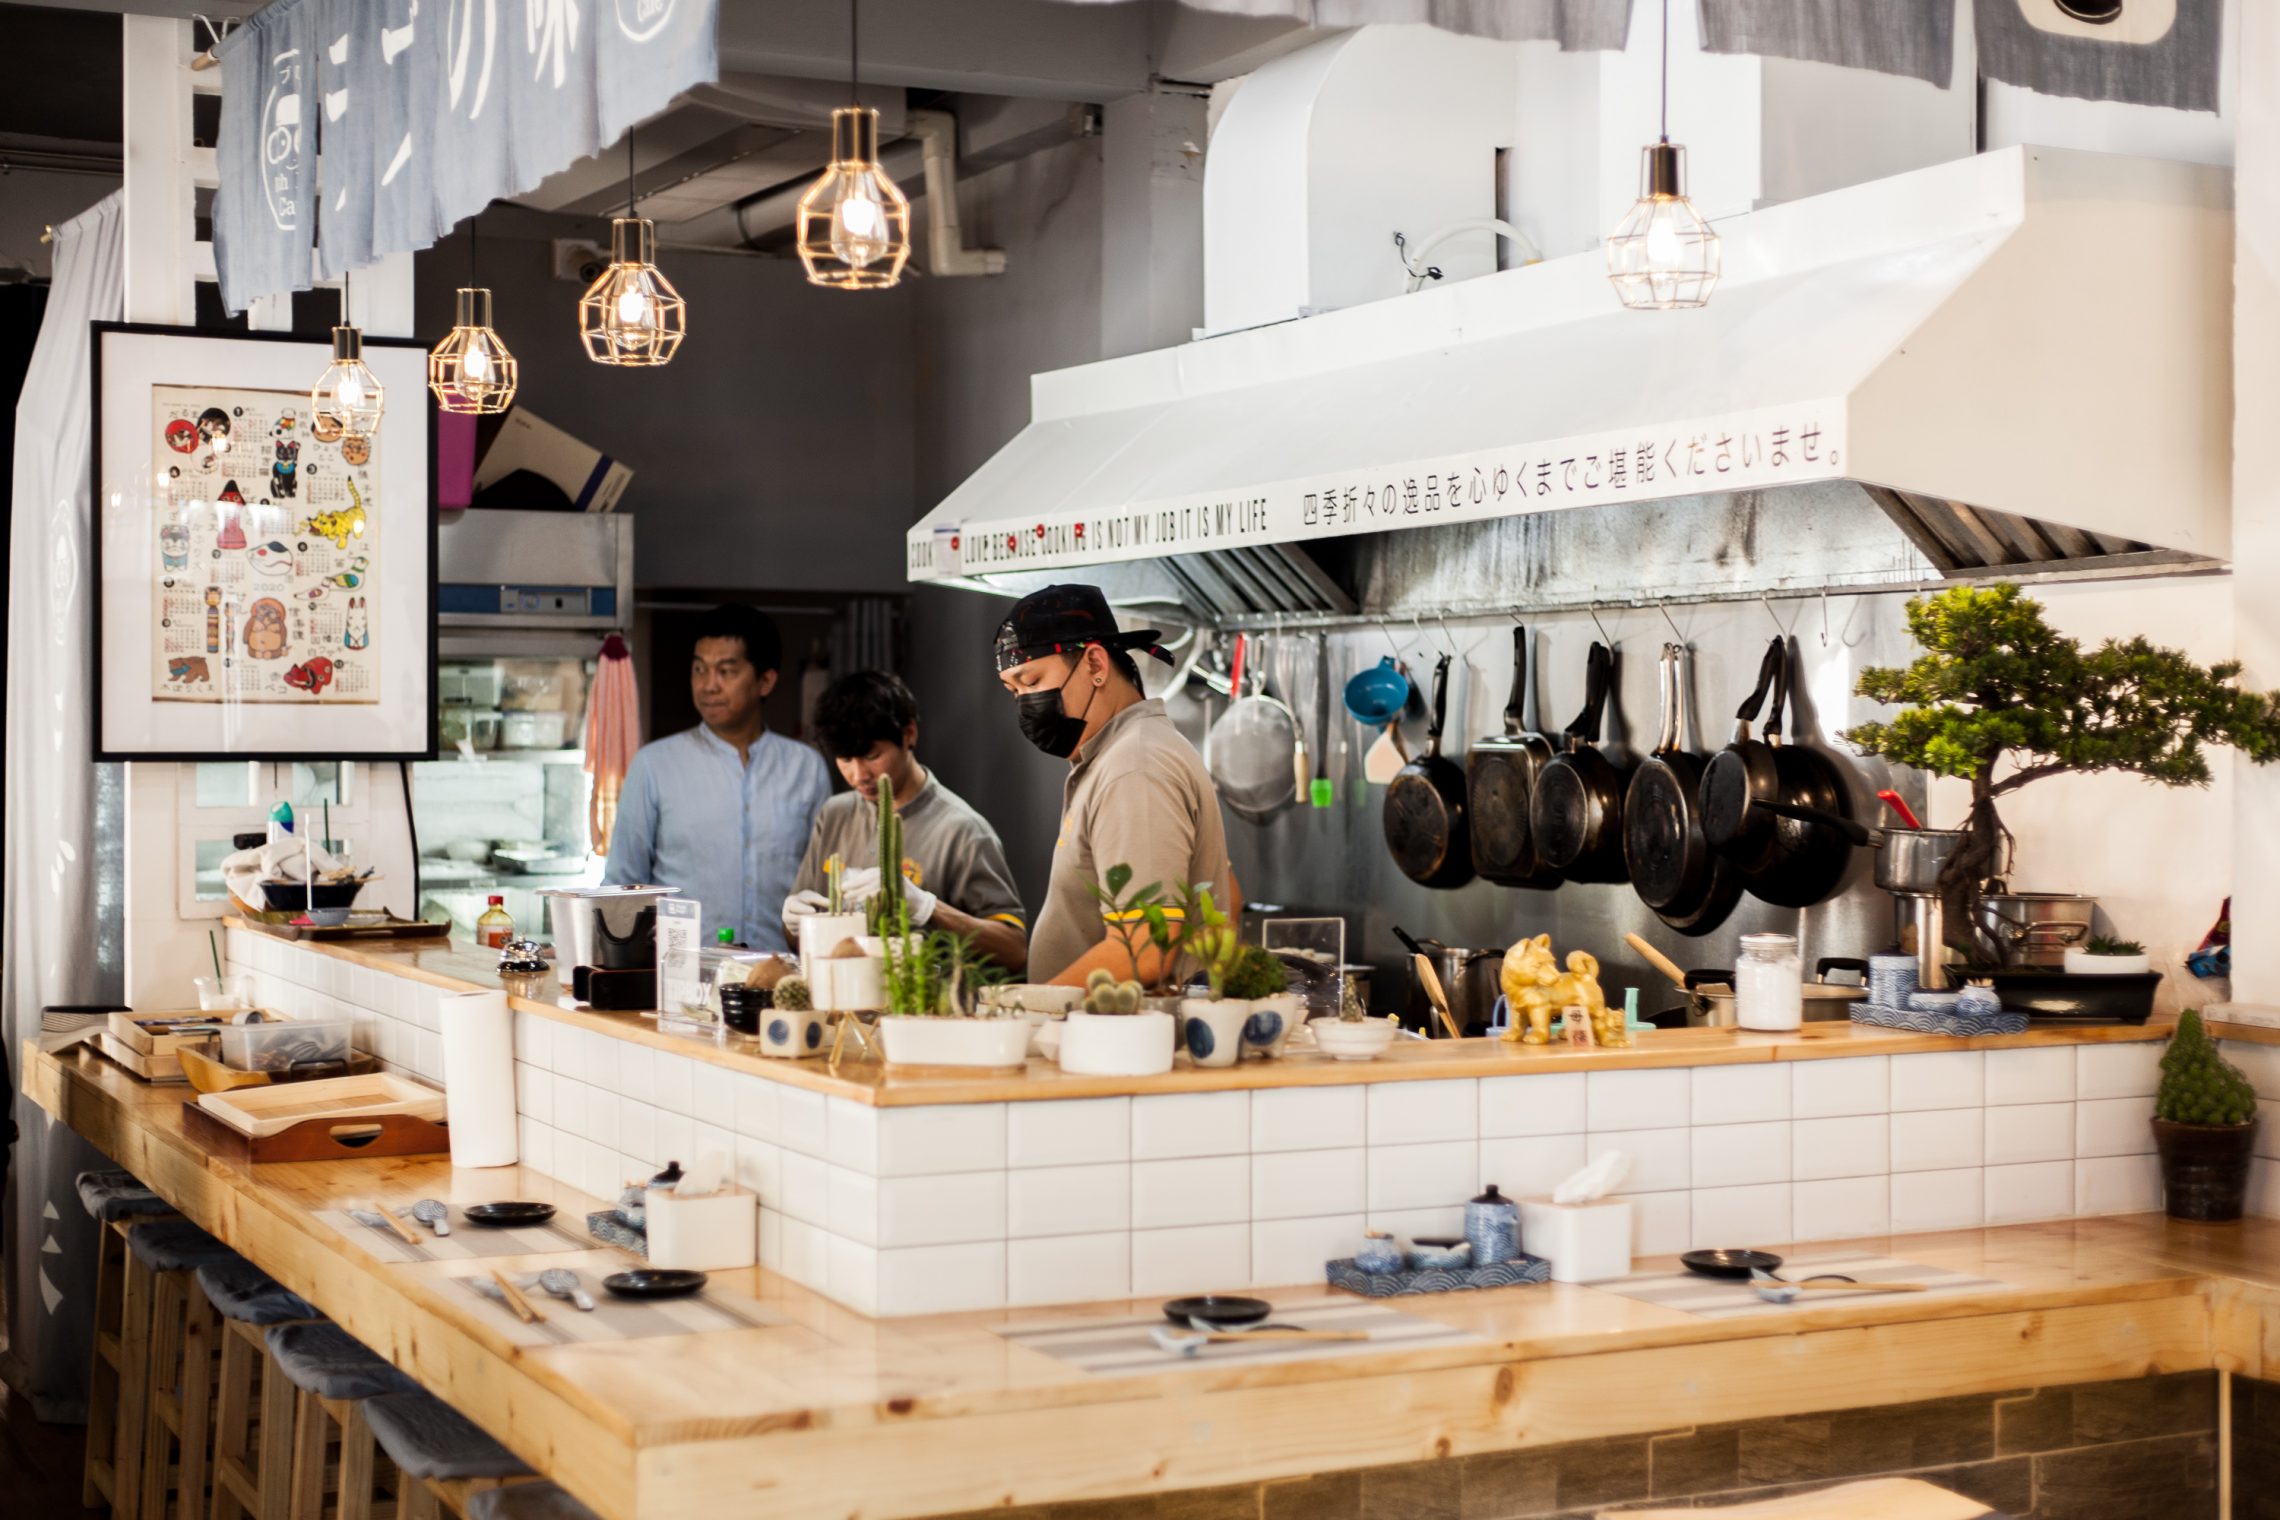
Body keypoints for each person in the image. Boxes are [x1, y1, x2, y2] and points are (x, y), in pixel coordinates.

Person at [993, 584, 1234, 985]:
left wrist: (1028, 1009)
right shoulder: (1119, 756)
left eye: (1031, 681)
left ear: (1095, 664)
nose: (1024, 703)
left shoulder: (1135, 767)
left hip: (1122, 1025)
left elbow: (1147, 949)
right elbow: (1227, 893)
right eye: (1013, 691)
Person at [603, 605, 828, 954]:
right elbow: (622, 886)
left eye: (726, 671)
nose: (708, 685)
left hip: (783, 972)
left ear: (765, 681)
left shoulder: (806, 768)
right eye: (699, 669)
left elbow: (824, 885)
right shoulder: (654, 765)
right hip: (682, 971)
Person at [781, 671, 1029, 971]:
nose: (858, 775)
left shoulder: (962, 830)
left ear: (909, 734)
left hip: (925, 997)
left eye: (872, 756)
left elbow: (1015, 949)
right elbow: (796, 941)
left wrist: (927, 908)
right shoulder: (834, 815)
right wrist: (795, 922)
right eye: (845, 760)